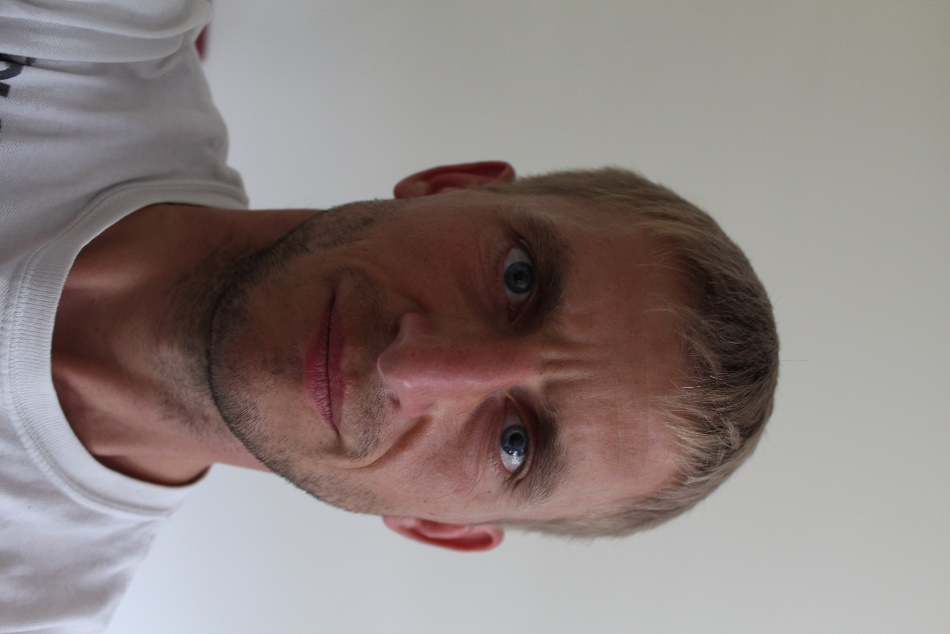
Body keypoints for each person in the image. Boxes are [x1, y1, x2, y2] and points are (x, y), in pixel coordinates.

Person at [0, 1, 778, 632]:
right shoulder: (100, 29)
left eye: (514, 443)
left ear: (435, 525)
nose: (414, 367)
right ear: (453, 186)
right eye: (518, 278)